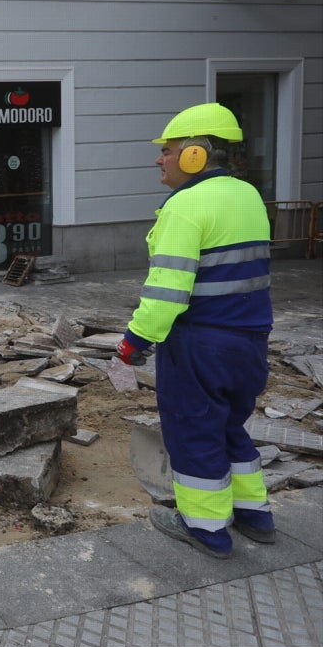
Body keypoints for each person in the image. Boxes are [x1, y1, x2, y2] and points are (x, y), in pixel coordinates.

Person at [116, 102, 274, 559]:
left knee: (192, 431)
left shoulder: (184, 207)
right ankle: (254, 513)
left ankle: (205, 528)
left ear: (194, 156)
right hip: (250, 339)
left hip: (200, 341)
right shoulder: (248, 197)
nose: (159, 160)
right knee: (230, 425)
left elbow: (167, 293)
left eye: (168, 151)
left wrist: (133, 343)